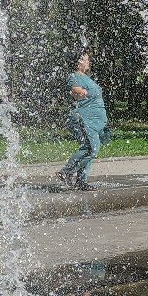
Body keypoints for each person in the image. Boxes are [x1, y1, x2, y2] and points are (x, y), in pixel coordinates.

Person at [57, 50, 107, 191]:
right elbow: (74, 90)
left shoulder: (86, 77)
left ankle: (81, 181)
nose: (88, 62)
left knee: (90, 148)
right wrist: (79, 92)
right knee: (92, 148)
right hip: (84, 119)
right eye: (85, 59)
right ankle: (66, 171)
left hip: (94, 121)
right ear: (79, 62)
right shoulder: (74, 76)